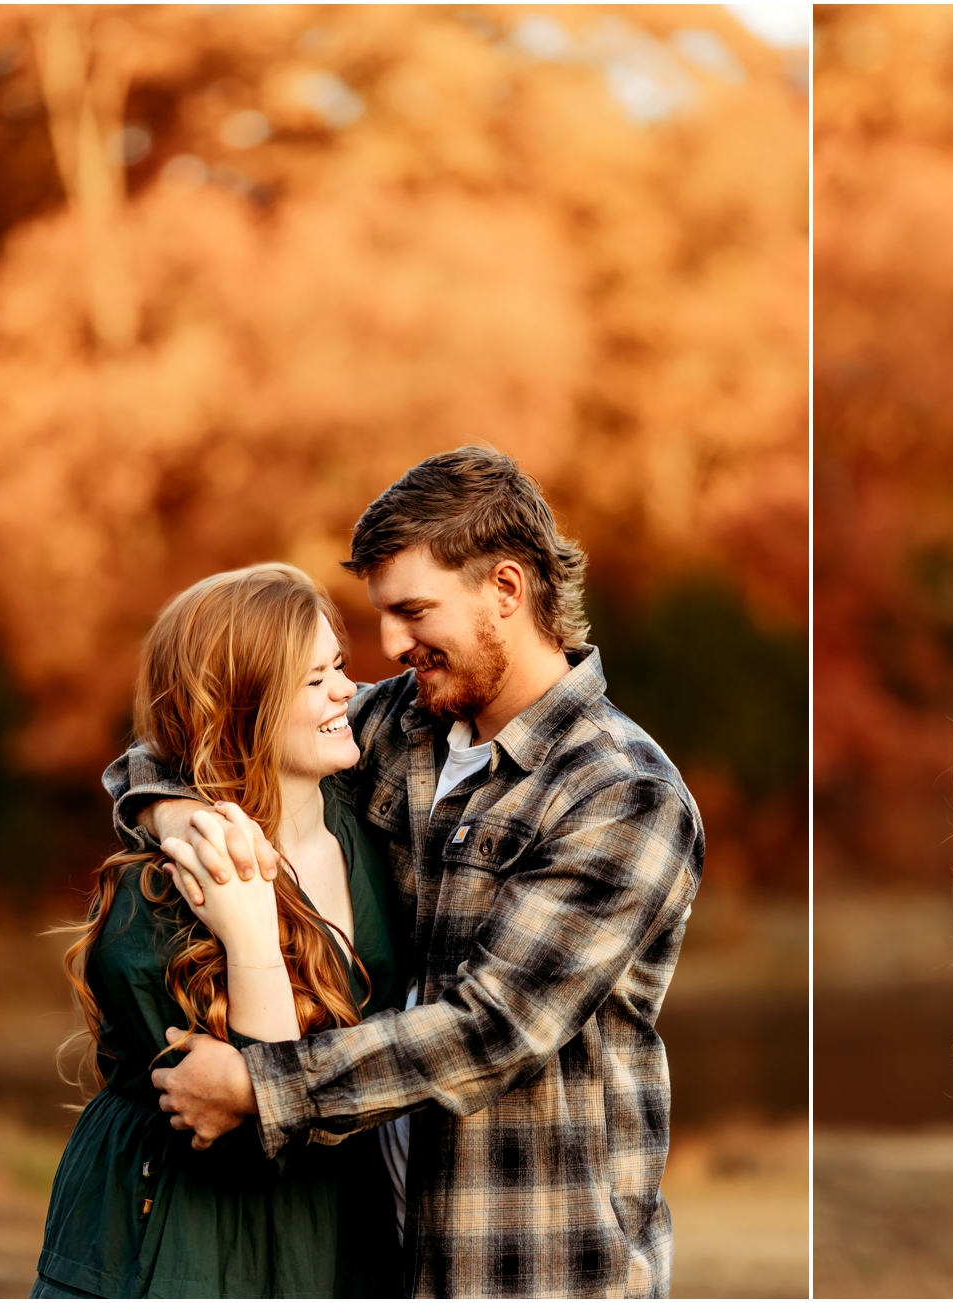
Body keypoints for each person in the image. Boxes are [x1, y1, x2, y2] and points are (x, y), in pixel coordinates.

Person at [103, 447, 704, 1298]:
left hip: (532, 1263)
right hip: (373, 1248)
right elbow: (194, 738)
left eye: (414, 611)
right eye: (381, 614)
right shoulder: (399, 726)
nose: (388, 645)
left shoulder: (622, 793)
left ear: (506, 589)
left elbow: (494, 1028)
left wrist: (261, 1085)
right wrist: (180, 813)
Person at [33, 564, 403, 1298]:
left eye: (340, 667)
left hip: (338, 1221)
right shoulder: (164, 896)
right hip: (186, 1230)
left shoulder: (366, 821)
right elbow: (247, 1136)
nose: (347, 693)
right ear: (242, 709)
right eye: (313, 679)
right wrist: (253, 939)